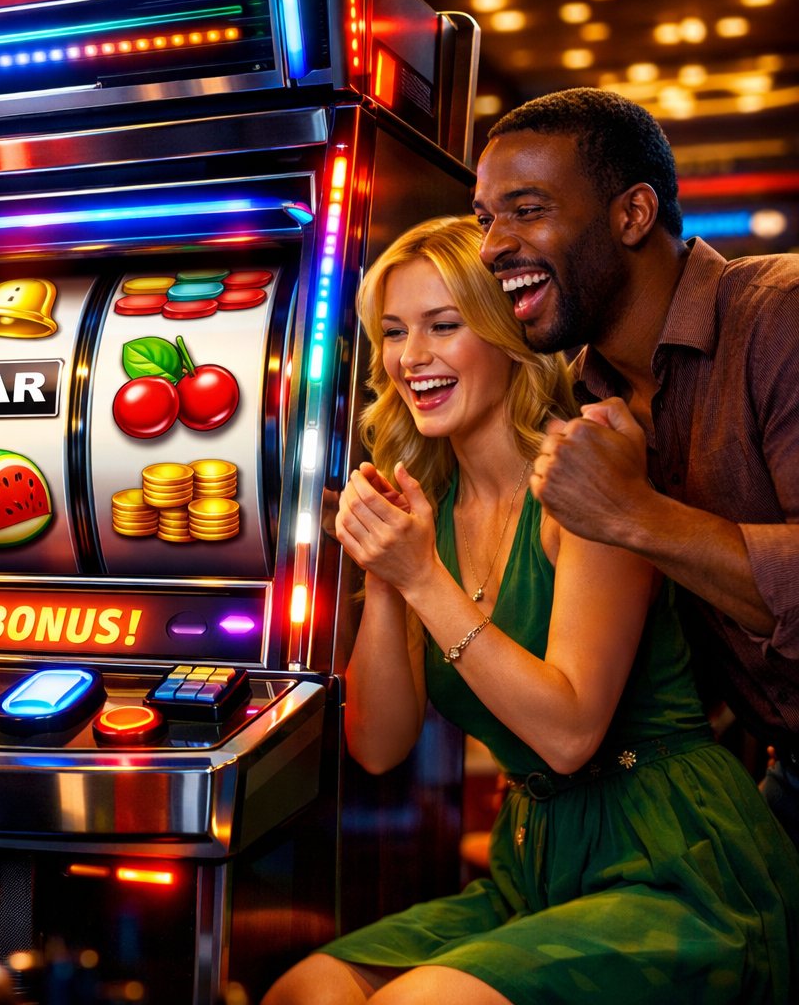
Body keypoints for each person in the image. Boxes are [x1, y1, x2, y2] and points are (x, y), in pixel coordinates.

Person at [264, 217, 799, 1004]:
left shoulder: (586, 473)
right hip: (536, 863)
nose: (413, 359)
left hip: (675, 857)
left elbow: (569, 733)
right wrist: (385, 578)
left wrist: (423, 580)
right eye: (393, 333)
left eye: (444, 326)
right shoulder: (431, 505)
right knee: (308, 990)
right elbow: (378, 746)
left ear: (507, 337)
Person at [471, 87, 799, 844]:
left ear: (633, 214)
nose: (491, 247)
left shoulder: (778, 316)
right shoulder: (578, 392)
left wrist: (634, 515)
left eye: (526, 209)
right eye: (487, 218)